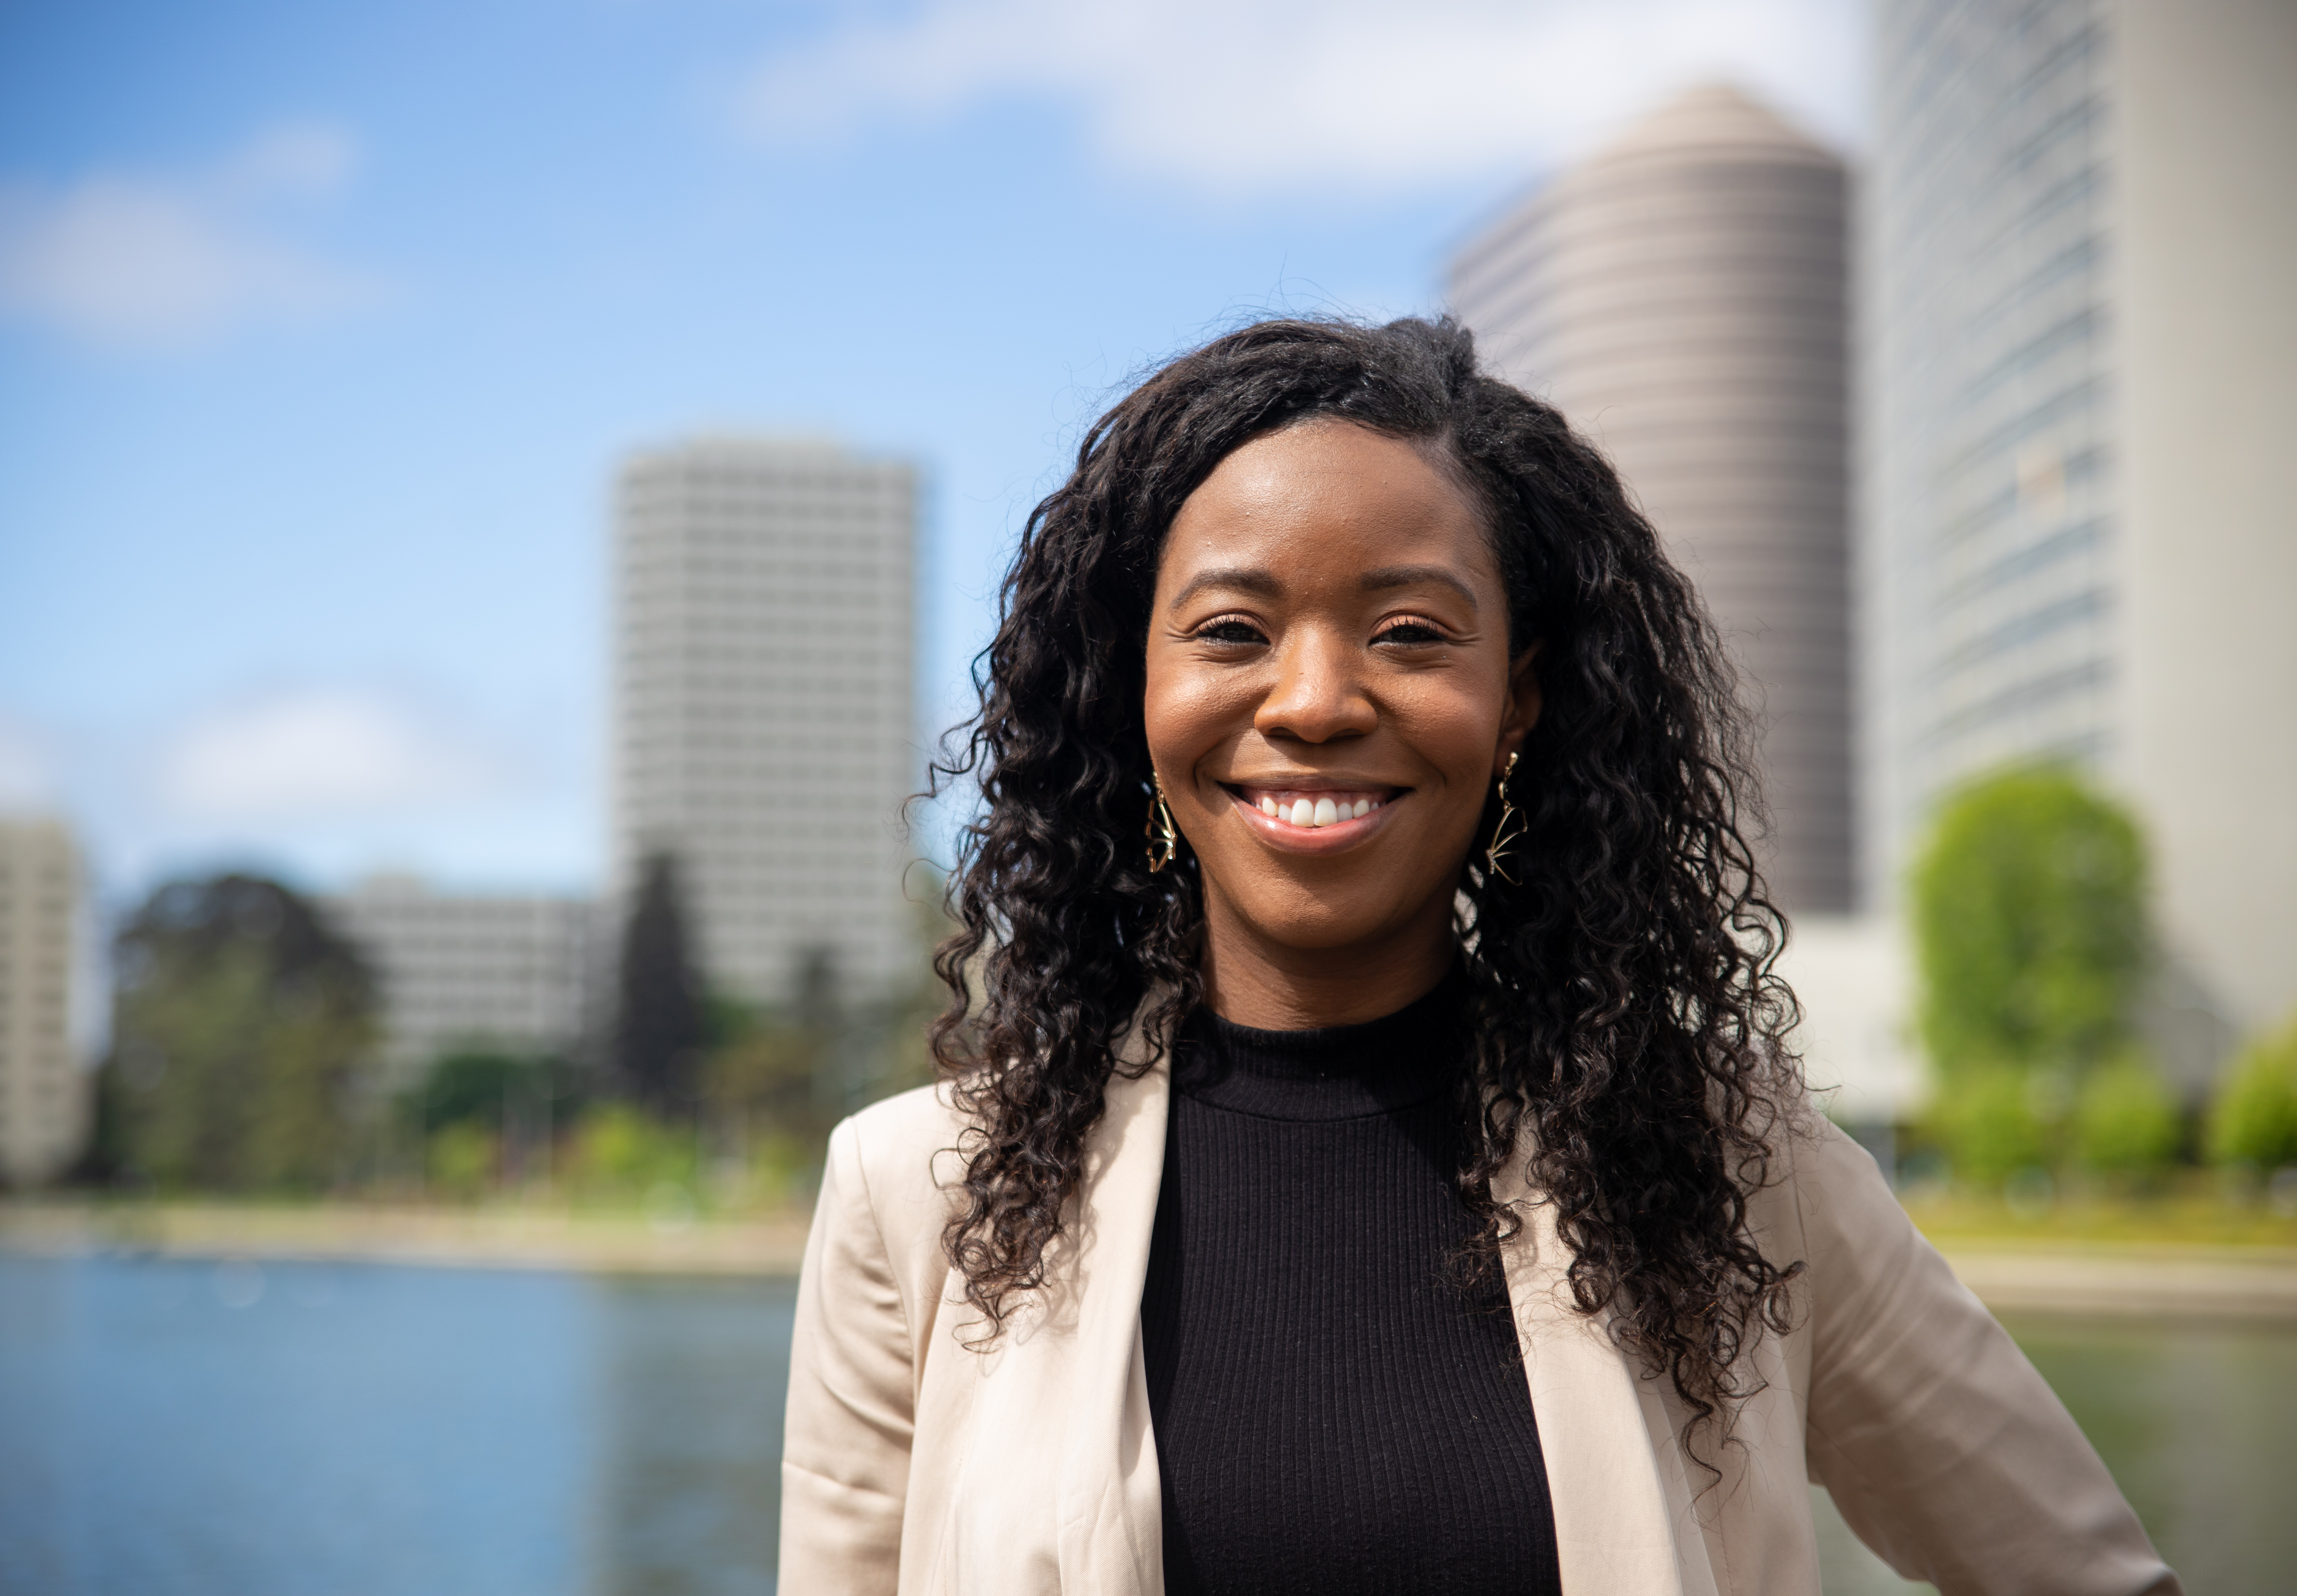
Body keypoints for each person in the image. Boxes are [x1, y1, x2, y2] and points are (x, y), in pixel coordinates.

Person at [776, 317, 2177, 1596]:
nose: (1316, 699)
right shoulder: (920, 1200)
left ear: (1520, 698)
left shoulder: (1731, 1164)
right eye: (1231, 631)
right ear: (1133, 686)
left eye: (1410, 632)